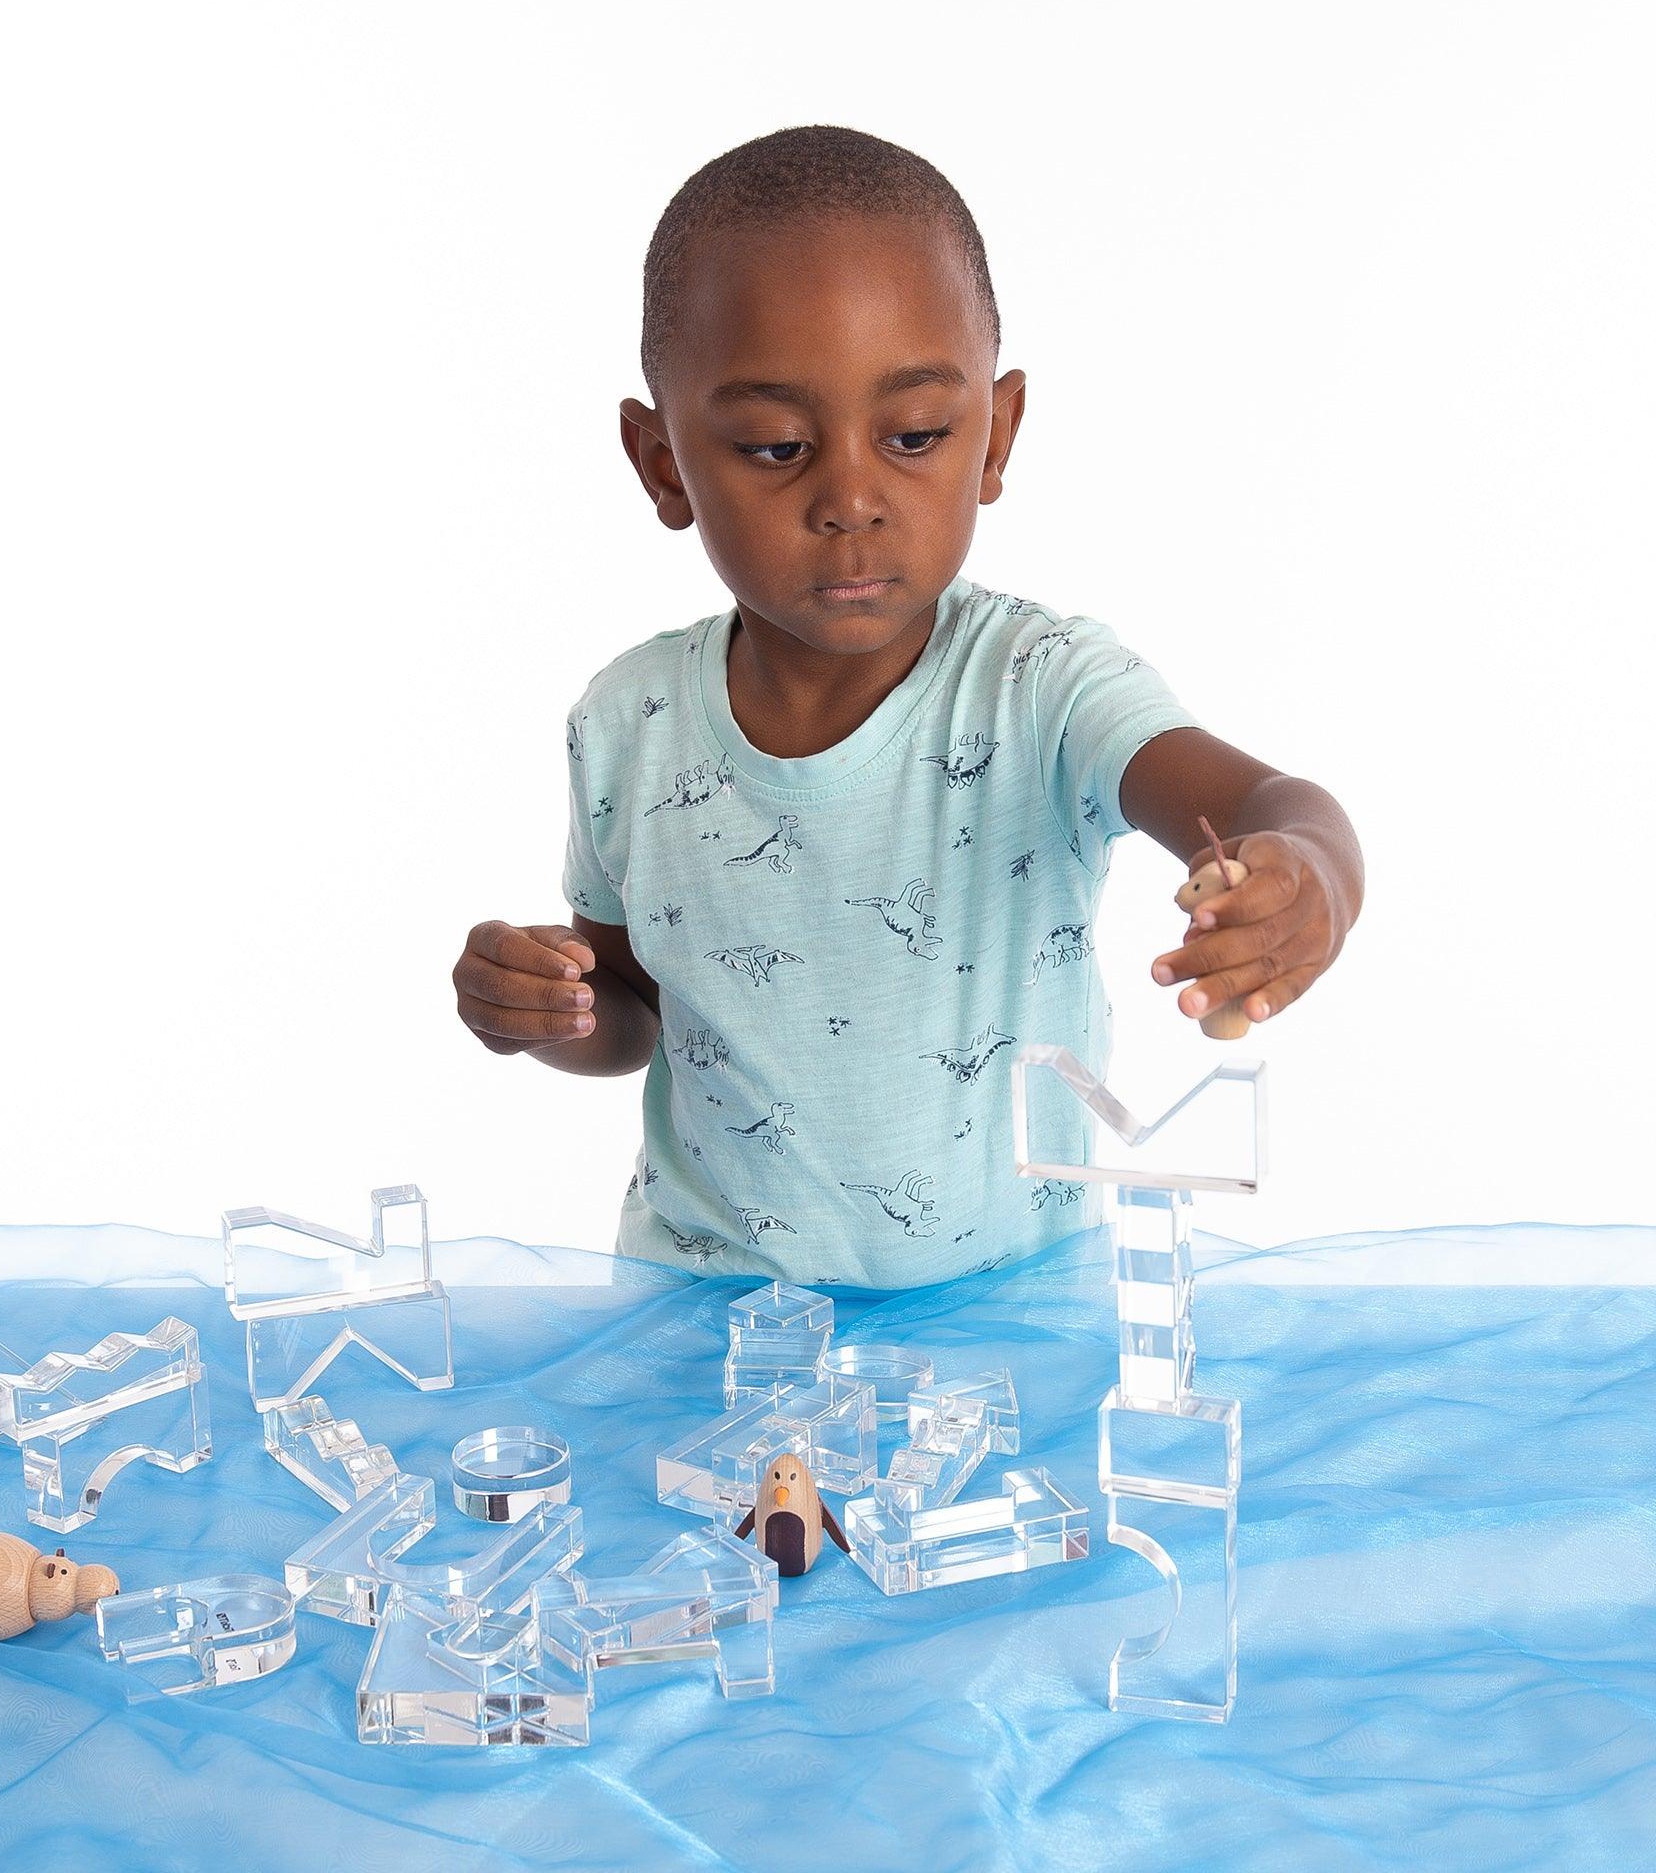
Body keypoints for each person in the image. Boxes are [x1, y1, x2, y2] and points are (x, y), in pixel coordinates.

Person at [451, 125, 1363, 1286]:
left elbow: (1270, 802)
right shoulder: (627, 723)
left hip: (1003, 1322)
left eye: (916, 436)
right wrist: (543, 1009)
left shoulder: (1044, 688)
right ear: (664, 463)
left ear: (996, 437)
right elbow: (633, 1007)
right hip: (712, 1319)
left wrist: (1312, 874)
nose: (850, 497)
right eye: (777, 446)